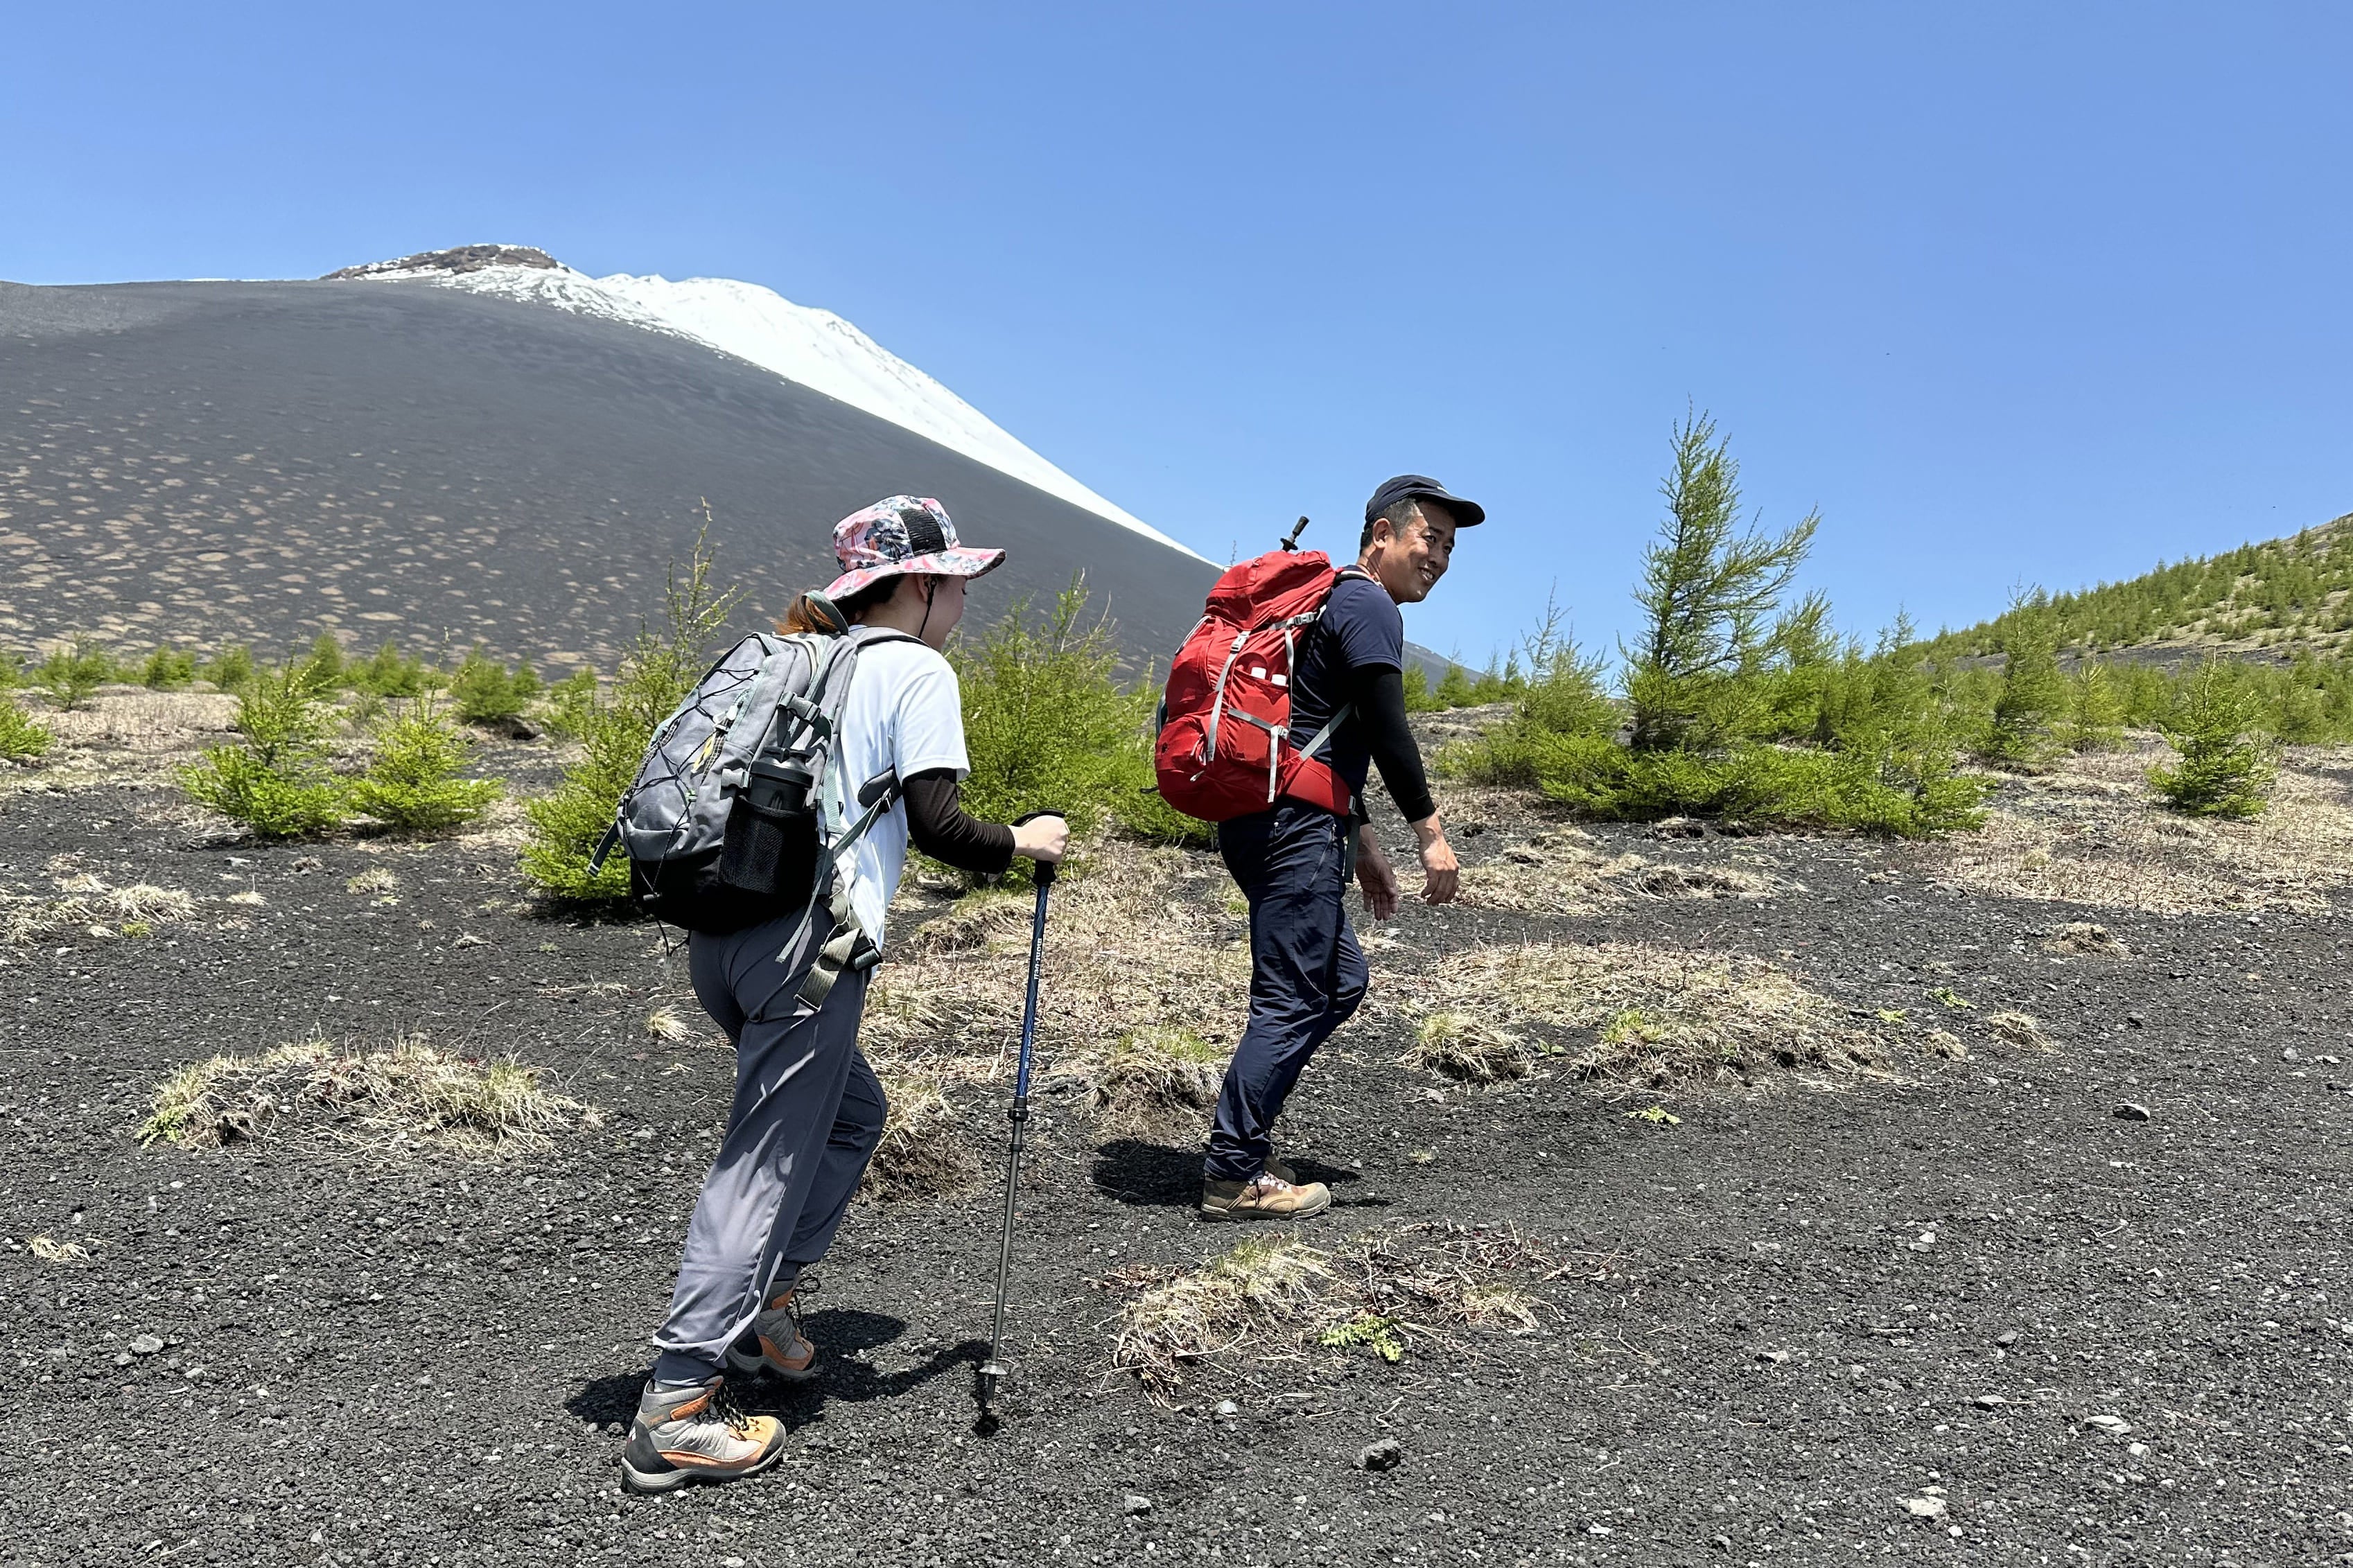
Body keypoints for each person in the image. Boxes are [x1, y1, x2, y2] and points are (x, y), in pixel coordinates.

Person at [622, 496, 1068, 1493]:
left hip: (723, 940)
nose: (961, 602)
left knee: (851, 1113)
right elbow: (942, 822)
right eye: (954, 583)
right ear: (912, 586)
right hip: (808, 952)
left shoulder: (802, 658)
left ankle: (766, 1304)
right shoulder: (913, 666)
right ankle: (679, 1405)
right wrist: (1025, 841)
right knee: (762, 1163)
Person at [1199, 475, 1479, 1221]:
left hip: (1280, 818)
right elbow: (1388, 729)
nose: (1440, 557)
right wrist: (1431, 836)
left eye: (1450, 546)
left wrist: (1360, 839)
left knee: (1339, 981)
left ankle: (1242, 1139)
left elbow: (1315, 727)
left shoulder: (1332, 601)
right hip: (1290, 828)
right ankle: (1233, 1174)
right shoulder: (1365, 603)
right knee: (1293, 994)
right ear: (1381, 535)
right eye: (1429, 538)